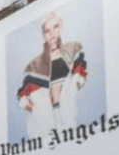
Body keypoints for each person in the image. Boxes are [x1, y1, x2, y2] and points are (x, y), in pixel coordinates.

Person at [17, 9, 87, 139]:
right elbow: (23, 94)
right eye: (47, 31)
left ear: (61, 26)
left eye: (55, 27)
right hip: (44, 123)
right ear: (43, 34)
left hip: (68, 116)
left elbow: (80, 72)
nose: (52, 34)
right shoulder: (34, 65)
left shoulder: (73, 49)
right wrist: (28, 103)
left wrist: (76, 82)